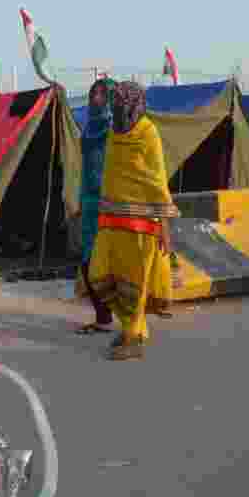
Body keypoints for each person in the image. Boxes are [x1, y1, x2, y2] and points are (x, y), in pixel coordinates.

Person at [88, 81, 178, 360]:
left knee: (133, 284)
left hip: (141, 222)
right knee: (99, 274)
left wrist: (164, 226)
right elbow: (111, 173)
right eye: (117, 106)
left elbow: (157, 178)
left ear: (136, 106)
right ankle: (133, 326)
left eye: (124, 106)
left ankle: (133, 337)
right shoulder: (114, 132)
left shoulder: (148, 133)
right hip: (111, 219)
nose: (120, 111)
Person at [74, 77, 116, 335]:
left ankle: (130, 320)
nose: (94, 98)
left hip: (111, 200)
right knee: (88, 261)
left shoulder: (116, 127)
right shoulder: (89, 127)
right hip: (90, 202)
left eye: (101, 94)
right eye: (92, 93)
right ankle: (103, 317)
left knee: (113, 262)